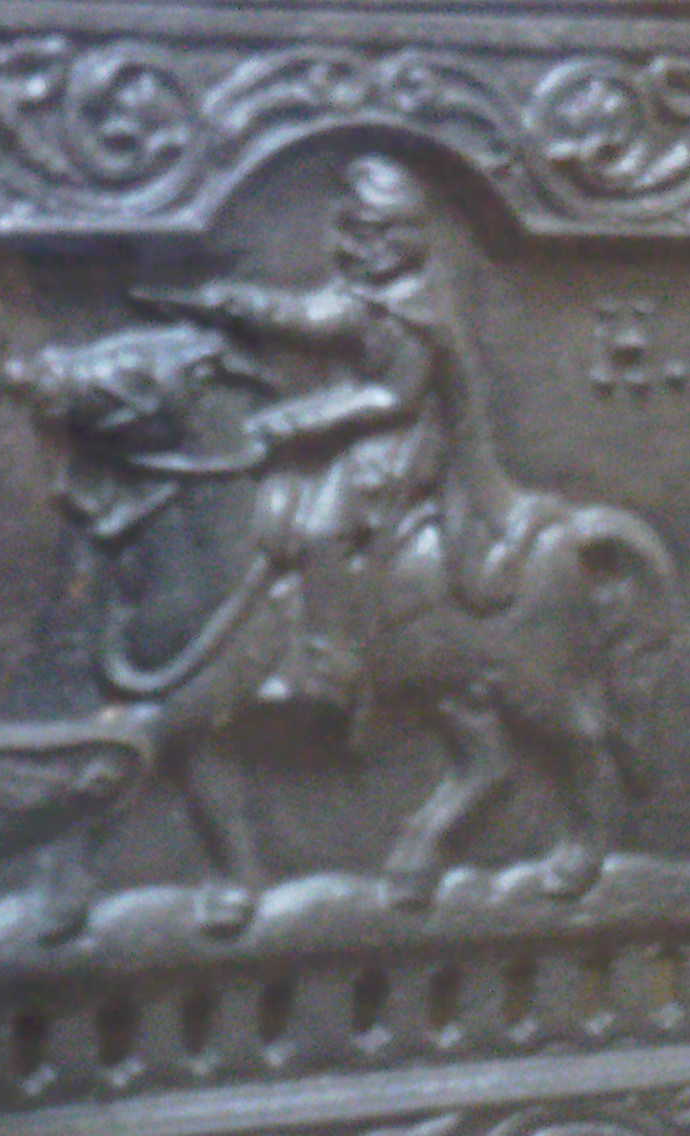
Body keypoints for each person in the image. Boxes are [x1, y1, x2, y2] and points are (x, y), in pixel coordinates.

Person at [149, 155, 558, 721]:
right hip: (360, 430)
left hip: (403, 442)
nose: (365, 246)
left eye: (378, 233)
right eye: (357, 231)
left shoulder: (418, 307)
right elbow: (313, 318)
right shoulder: (369, 293)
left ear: (407, 237)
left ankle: (328, 664)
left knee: (323, 527)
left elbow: (394, 397)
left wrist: (303, 419)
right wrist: (238, 304)